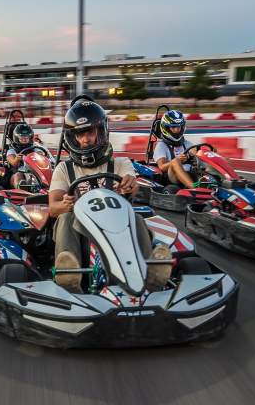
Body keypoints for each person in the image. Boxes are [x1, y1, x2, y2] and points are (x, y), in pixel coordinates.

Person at [49, 97, 172, 292]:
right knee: (64, 218)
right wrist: (65, 204)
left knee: (136, 217)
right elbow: (53, 207)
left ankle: (151, 274)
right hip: (81, 230)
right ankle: (69, 274)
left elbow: (132, 187)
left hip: (116, 224)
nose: (85, 139)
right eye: (80, 134)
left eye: (89, 132)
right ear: (72, 137)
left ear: (101, 131)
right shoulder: (64, 169)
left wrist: (129, 186)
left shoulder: (121, 163)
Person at [152, 109, 199, 188]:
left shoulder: (186, 143)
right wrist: (178, 160)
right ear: (166, 128)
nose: (177, 130)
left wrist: (196, 154)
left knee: (203, 154)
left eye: (179, 127)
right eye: (173, 127)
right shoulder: (161, 146)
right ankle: (193, 187)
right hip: (171, 177)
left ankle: (216, 180)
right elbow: (162, 167)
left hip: (190, 172)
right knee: (175, 162)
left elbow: (196, 154)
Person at [5, 123, 35, 188]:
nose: (24, 139)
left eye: (26, 137)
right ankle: (21, 188)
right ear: (17, 138)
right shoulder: (12, 150)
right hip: (15, 174)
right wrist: (17, 159)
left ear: (30, 137)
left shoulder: (35, 148)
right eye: (22, 137)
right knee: (18, 175)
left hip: (32, 173)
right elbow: (13, 163)